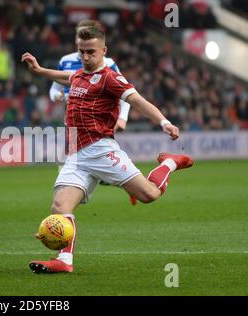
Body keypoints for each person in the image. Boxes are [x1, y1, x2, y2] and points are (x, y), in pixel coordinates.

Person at [22, 24, 193, 273]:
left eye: (91, 51)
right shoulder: (78, 75)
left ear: (104, 50)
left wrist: (164, 122)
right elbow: (64, 77)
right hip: (76, 155)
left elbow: (138, 101)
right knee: (60, 207)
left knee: (150, 195)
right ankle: (64, 261)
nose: (86, 57)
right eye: (82, 51)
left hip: (102, 151)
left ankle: (169, 163)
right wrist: (39, 71)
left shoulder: (110, 79)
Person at [50, 20, 130, 132]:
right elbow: (54, 90)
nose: (82, 39)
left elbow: (126, 93)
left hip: (99, 122)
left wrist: (122, 118)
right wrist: (58, 96)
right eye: (79, 35)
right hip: (73, 121)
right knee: (73, 148)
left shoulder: (108, 63)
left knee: (101, 147)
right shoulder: (65, 61)